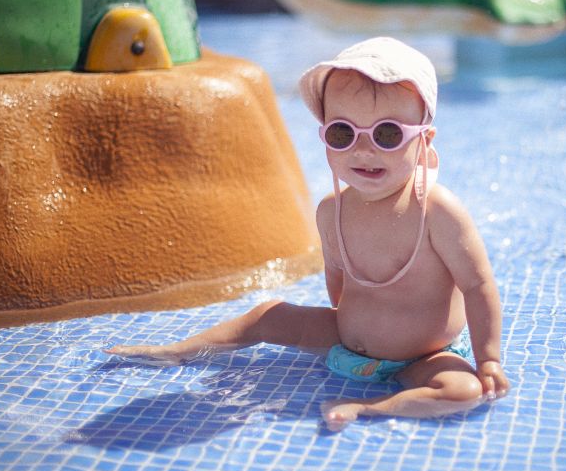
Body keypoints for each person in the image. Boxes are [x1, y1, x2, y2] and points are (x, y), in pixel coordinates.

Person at [106, 37, 509, 430]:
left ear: (425, 139)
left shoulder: (437, 211)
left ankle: (370, 408)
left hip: (425, 356)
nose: (363, 150)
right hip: (347, 340)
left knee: (464, 392)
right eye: (342, 133)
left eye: (387, 134)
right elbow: (337, 278)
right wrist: (355, 327)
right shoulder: (332, 210)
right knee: (269, 315)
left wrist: (487, 358)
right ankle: (180, 351)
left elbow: (477, 285)